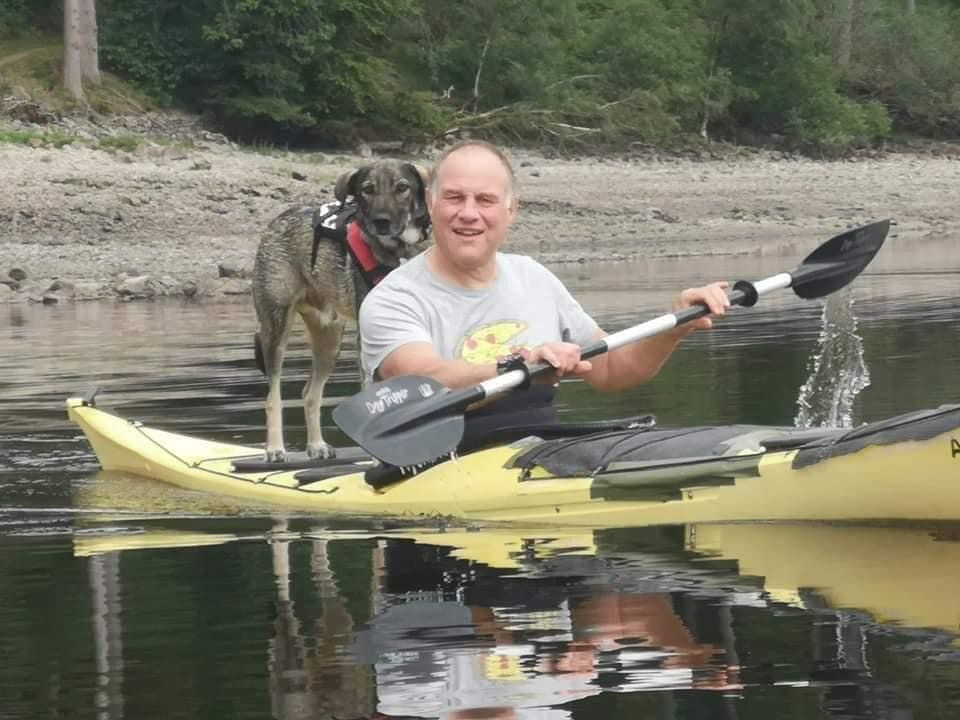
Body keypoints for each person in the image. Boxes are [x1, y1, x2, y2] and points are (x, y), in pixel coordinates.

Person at [358, 140, 730, 446]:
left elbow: (612, 370)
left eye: (485, 200)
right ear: (430, 204)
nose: (469, 213)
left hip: (539, 459)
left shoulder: (533, 277)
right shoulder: (393, 299)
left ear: (511, 210)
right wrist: (522, 365)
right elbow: (425, 383)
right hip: (441, 465)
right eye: (455, 198)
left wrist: (675, 327)